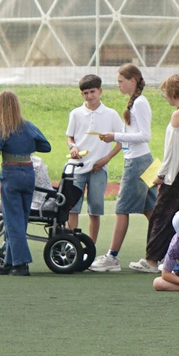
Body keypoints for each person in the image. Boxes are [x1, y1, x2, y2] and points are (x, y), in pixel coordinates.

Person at [0, 90, 50, 276]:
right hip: (28, 173)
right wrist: (26, 147)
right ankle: (10, 261)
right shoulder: (27, 126)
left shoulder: (1, 129)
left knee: (12, 221)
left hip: (11, 174)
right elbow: (46, 146)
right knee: (21, 219)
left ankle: (21, 264)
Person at [98, 63, 155, 273]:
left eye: (121, 81)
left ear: (133, 80)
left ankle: (112, 256)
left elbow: (144, 135)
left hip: (138, 162)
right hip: (143, 160)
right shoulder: (136, 102)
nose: (119, 85)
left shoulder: (140, 103)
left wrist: (116, 136)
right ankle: (162, 255)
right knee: (153, 211)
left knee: (122, 209)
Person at [143, 73, 179, 269]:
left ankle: (152, 259)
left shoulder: (178, 115)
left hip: (176, 174)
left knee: (161, 216)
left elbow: (172, 151)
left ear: (172, 92)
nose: (164, 96)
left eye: (165, 92)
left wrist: (161, 174)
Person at [63, 74, 121, 248]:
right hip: (77, 168)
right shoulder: (76, 113)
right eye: (86, 93)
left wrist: (106, 159)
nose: (90, 96)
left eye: (92, 92)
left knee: (95, 209)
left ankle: (90, 247)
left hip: (98, 169)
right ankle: (71, 244)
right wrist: (72, 147)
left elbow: (121, 140)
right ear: (82, 95)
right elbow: (70, 137)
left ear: (100, 91)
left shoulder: (111, 114)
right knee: (72, 208)